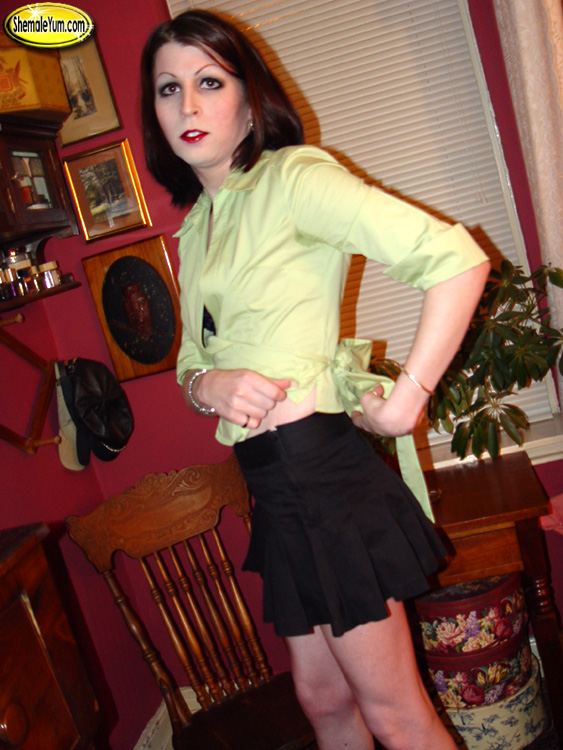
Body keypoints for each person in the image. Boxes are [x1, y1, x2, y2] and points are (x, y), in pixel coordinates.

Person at [141, 10, 490, 750]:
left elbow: (456, 261)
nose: (188, 104)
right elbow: (190, 363)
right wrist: (209, 386)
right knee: (323, 701)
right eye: (168, 88)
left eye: (210, 82)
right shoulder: (195, 229)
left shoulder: (293, 178)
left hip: (321, 477)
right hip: (272, 485)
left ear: (249, 98)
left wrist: (406, 401)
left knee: (395, 713)